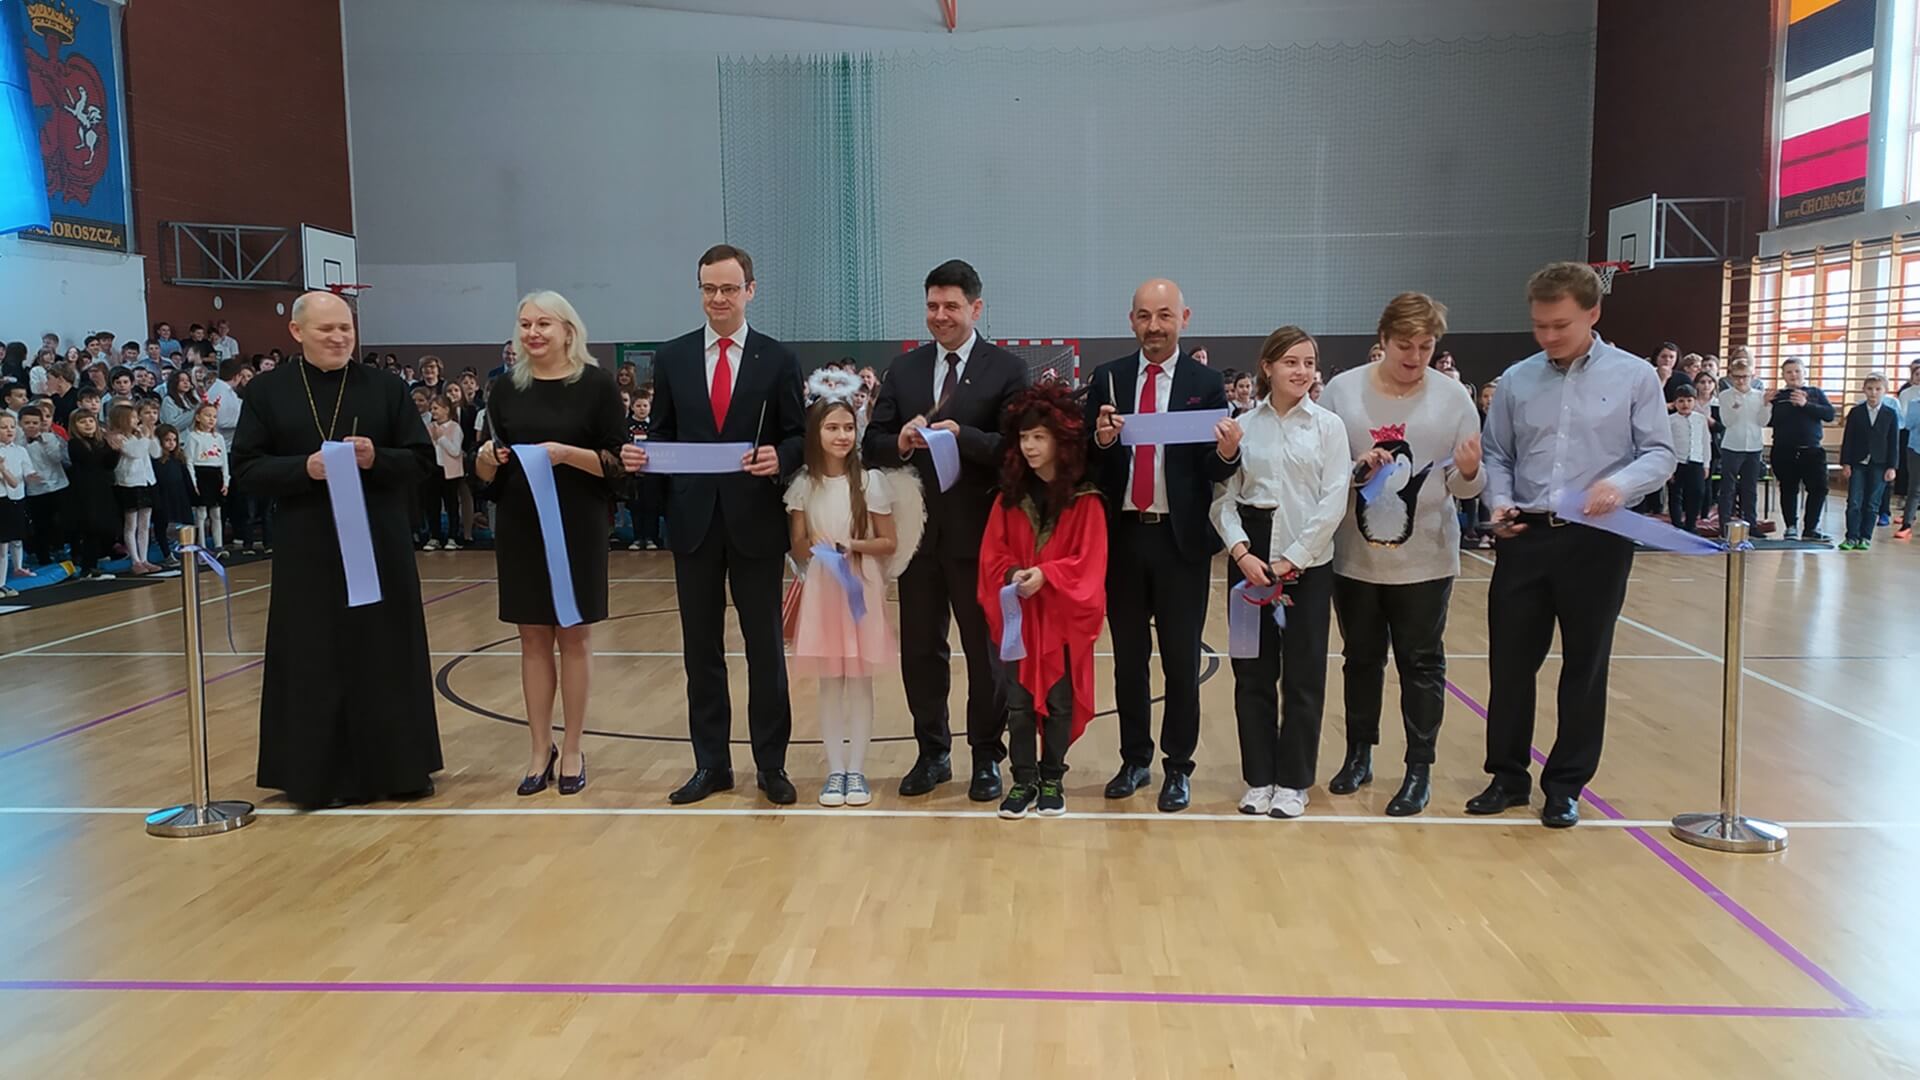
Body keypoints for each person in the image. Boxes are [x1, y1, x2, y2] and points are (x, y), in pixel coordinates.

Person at [1477, 262, 1675, 829]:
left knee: (1585, 664)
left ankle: (1565, 784)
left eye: (1560, 325)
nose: (1547, 336)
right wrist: (1499, 502)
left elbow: (1660, 453)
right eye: (1539, 325)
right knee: (1510, 663)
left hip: (1598, 539)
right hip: (1525, 535)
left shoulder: (1635, 376)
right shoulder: (1517, 380)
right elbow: (1497, 454)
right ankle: (1506, 776)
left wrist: (1621, 485)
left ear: (1593, 313)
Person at [231, 290, 441, 809]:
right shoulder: (267, 392)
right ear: (297, 332)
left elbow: (421, 461)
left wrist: (375, 458)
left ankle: (400, 768)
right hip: (308, 547)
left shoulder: (386, 387)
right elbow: (247, 469)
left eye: (345, 328)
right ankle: (316, 777)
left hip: (379, 543)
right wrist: (304, 468)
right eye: (327, 329)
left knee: (385, 651)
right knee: (314, 656)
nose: (339, 337)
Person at [618, 244, 806, 806]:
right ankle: (711, 765)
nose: (718, 298)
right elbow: (663, 433)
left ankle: (771, 764)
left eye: (728, 288)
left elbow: (799, 434)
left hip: (756, 523)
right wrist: (642, 456)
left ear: (751, 290)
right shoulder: (673, 357)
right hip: (693, 522)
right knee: (700, 652)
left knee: (765, 650)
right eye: (708, 289)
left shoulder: (778, 358)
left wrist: (781, 456)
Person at [863, 259, 1029, 800]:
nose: (940, 315)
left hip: (981, 536)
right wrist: (900, 441)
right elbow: (872, 443)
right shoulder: (904, 369)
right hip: (916, 538)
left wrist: (965, 437)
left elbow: (1019, 449)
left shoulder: (1007, 370)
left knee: (985, 654)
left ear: (975, 308)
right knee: (920, 651)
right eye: (932, 305)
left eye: (951, 306)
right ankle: (932, 751)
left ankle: (986, 755)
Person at [1320, 295, 1484, 817]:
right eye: (1404, 346)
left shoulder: (1454, 398)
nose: (1415, 357)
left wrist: (1471, 471)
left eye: (1426, 347)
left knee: (1421, 662)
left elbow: (1465, 486)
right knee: (1360, 659)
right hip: (1354, 555)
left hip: (1426, 559)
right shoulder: (1343, 391)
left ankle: (1419, 768)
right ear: (1383, 340)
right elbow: (1324, 469)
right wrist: (1356, 471)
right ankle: (1358, 754)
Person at [1084, 278, 1242, 812]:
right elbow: (1090, 461)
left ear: (1184, 318)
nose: (1154, 326)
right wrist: (1103, 440)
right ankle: (1134, 759)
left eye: (1165, 315)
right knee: (1129, 662)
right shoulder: (1108, 378)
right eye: (1145, 316)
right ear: (1131, 320)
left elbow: (1211, 467)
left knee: (1180, 660)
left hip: (1181, 545)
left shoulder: (1206, 383)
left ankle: (1178, 766)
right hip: (1124, 539)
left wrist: (1227, 454)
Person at [476, 291, 627, 796]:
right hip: (521, 523)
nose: (533, 333)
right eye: (525, 324)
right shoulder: (504, 389)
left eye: (543, 323)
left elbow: (618, 466)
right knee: (532, 638)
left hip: (578, 524)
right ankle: (540, 748)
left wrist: (566, 455)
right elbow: (488, 476)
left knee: (574, 636)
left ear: (568, 330)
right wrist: (486, 460)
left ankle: (575, 746)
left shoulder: (598, 386)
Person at [1213, 327, 1347, 819]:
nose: (1302, 371)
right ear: (1267, 367)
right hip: (1251, 562)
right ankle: (1259, 778)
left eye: (1309, 362)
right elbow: (1223, 498)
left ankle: (1293, 781)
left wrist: (1293, 558)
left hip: (1306, 563)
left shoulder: (1329, 427)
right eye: (1291, 362)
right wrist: (1242, 552)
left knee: (1304, 675)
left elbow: (1333, 499)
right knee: (1252, 673)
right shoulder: (1242, 424)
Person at [785, 369, 920, 807]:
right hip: (823, 592)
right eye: (832, 428)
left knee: (860, 682)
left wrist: (852, 546)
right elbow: (798, 546)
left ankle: (857, 770)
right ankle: (835, 770)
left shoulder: (870, 482)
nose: (842, 435)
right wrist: (815, 546)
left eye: (848, 427)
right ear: (815, 432)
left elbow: (889, 542)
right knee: (830, 683)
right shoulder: (803, 486)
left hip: (860, 589)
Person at [979, 382, 1108, 819]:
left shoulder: (1085, 500)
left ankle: (1052, 777)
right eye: (1024, 437)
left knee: (1059, 703)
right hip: (1020, 619)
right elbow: (992, 555)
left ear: (1061, 440)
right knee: (1017, 705)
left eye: (1039, 437)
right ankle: (1023, 780)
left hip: (1060, 621)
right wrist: (1014, 575)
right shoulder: (1009, 498)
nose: (1030, 446)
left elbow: (1089, 562)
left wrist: (1048, 575)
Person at [1766, 358, 1835, 542]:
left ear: (1804, 373)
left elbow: (1829, 414)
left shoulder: (1815, 393)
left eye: (1797, 371)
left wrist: (1806, 405)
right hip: (1784, 450)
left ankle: (1811, 528)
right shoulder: (1778, 397)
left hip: (1812, 450)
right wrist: (1766, 404)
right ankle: (1790, 527)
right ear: (1783, 375)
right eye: (1789, 372)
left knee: (1819, 489)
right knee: (1788, 489)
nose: (1793, 375)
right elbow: (1769, 421)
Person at [1838, 373, 1900, 550]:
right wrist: (1846, 463)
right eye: (1870, 389)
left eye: (1878, 389)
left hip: (1880, 464)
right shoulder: (1856, 412)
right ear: (1864, 390)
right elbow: (1848, 439)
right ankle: (1851, 537)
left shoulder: (1890, 414)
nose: (1873, 393)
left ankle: (1865, 537)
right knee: (1854, 502)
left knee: (1873, 503)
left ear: (1885, 391)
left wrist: (1892, 466)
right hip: (1858, 462)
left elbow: (1893, 442)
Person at [63, 409, 118, 580]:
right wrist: (107, 445)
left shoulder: (100, 442)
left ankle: (95, 562)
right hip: (85, 491)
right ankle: (88, 567)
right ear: (75, 426)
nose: (88, 424)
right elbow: (90, 459)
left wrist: (115, 450)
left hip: (101, 488)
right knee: (90, 529)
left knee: (102, 528)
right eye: (83, 422)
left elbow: (109, 464)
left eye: (91, 421)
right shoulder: (75, 444)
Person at [106, 402, 160, 574]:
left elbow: (156, 453)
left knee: (144, 524)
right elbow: (135, 453)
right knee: (131, 524)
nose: (137, 420)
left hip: (146, 481)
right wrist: (145, 437)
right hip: (129, 483)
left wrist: (150, 436)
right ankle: (135, 560)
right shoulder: (119, 438)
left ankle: (144, 558)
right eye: (133, 418)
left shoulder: (138, 437)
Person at [1715, 359, 1765, 532]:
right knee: (1727, 488)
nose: (1741, 381)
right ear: (1731, 377)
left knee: (1750, 488)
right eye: (1736, 377)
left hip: (1754, 447)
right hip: (1732, 446)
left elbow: (1763, 422)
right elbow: (1727, 422)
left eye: (1745, 376)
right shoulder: (1725, 395)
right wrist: (1736, 406)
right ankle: (1724, 526)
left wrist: (1766, 406)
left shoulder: (1759, 396)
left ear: (1752, 376)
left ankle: (1751, 525)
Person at [20, 408, 68, 567]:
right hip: (35, 489)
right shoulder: (18, 442)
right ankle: (43, 556)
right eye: (27, 423)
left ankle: (60, 549)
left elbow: (57, 458)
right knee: (40, 524)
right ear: (20, 424)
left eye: (35, 423)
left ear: (41, 424)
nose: (31, 426)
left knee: (59, 521)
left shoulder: (51, 438)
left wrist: (44, 441)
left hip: (57, 485)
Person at [424, 395, 467, 551]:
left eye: (436, 408)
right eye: (432, 409)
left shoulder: (455, 428)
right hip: (434, 470)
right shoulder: (429, 427)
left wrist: (441, 438)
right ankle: (434, 536)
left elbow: (455, 451)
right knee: (433, 505)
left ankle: (453, 537)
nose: (433, 411)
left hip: (450, 472)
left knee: (451, 505)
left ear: (446, 409)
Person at [186, 403, 230, 555]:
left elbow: (224, 461)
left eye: (214, 416)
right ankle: (202, 547)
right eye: (207, 415)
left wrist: (226, 481)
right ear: (198, 417)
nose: (211, 419)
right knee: (201, 513)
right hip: (201, 474)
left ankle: (219, 546)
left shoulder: (219, 438)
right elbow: (189, 461)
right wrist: (193, 482)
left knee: (216, 513)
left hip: (215, 475)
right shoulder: (193, 437)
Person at [1668, 385, 1710, 535]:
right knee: (1675, 494)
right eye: (1681, 401)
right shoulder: (1670, 420)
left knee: (1697, 492)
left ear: (1694, 401)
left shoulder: (1700, 419)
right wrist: (1669, 467)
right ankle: (1676, 525)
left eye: (1689, 400)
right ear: (1675, 403)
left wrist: (1706, 464)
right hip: (1677, 462)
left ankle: (1691, 524)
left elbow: (1706, 441)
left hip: (1696, 461)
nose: (1685, 404)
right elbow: (1667, 444)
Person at [152, 424, 194, 566]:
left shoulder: (179, 458)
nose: (171, 443)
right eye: (167, 440)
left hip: (180, 495)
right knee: (162, 525)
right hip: (163, 496)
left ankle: (188, 550)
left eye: (174, 440)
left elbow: (186, 477)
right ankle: (167, 554)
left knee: (186, 523)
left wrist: (192, 494)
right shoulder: (156, 459)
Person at [0, 414, 31, 593]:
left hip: (14, 498)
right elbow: (11, 481)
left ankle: (10, 574)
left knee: (12, 539)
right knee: (2, 545)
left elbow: (24, 475)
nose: (9, 430)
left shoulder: (19, 450)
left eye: (12, 426)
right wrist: (3, 469)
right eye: (4, 427)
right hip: (2, 499)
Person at [1898, 361, 1920, 539]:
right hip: (1916, 447)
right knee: (1915, 487)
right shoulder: (1913, 402)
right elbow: (1907, 423)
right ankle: (1906, 524)